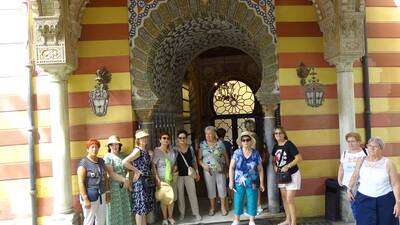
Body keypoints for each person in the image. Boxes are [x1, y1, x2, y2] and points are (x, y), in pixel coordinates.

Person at [347, 137, 400, 225]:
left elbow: (395, 184)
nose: (371, 148)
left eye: (375, 146)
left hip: (385, 199)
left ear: (381, 149)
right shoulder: (361, 161)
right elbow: (355, 175)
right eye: (369, 146)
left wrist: (398, 202)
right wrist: (349, 188)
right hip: (364, 199)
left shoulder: (389, 163)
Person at [229, 131, 265, 225]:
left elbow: (260, 169)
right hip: (239, 181)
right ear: (241, 142)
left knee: (252, 199)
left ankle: (252, 220)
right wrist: (231, 181)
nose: (245, 142)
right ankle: (236, 220)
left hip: (253, 181)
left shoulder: (256, 153)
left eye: (247, 140)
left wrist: (261, 183)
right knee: (238, 199)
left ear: (250, 141)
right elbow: (231, 168)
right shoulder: (237, 153)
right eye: (243, 140)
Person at [122, 130, 155, 225]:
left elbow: (147, 165)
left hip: (146, 181)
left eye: (145, 137)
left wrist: (150, 156)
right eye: (142, 138)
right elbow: (124, 162)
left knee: (144, 207)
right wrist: (136, 170)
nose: (144, 139)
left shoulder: (145, 150)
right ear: (138, 140)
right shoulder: (137, 150)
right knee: (140, 208)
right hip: (140, 182)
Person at [272, 127, 302, 225]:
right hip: (281, 176)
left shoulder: (289, 144)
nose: (278, 135)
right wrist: (275, 166)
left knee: (289, 199)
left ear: (284, 134)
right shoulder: (276, 146)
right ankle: (288, 220)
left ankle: (293, 222)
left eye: (280, 133)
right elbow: (274, 160)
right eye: (276, 133)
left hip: (292, 174)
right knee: (284, 198)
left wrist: (288, 166)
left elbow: (298, 158)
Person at [77, 138, 109, 225]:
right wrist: (85, 198)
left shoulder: (101, 161)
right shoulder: (84, 163)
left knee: (101, 220)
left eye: (96, 147)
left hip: (101, 194)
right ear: (88, 149)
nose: (95, 149)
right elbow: (80, 182)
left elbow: (105, 177)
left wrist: (107, 192)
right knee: (89, 221)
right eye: (92, 147)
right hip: (90, 195)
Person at [199, 126, 229, 216]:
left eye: (210, 133)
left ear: (214, 134)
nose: (208, 135)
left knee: (222, 188)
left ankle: (223, 208)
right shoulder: (202, 145)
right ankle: (212, 207)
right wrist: (203, 165)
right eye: (206, 134)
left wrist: (228, 169)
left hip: (220, 170)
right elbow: (199, 159)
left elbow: (226, 156)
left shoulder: (220, 144)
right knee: (210, 188)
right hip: (208, 171)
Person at [337, 132, 367, 220]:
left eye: (353, 141)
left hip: (360, 183)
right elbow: (341, 166)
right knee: (354, 206)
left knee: (359, 206)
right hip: (348, 184)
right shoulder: (345, 153)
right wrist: (339, 178)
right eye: (348, 141)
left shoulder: (365, 153)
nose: (350, 143)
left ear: (358, 142)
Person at [104, 135, 132, 225]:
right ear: (109, 146)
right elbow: (111, 174)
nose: (115, 146)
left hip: (125, 187)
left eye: (117, 144)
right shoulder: (107, 157)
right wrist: (125, 180)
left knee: (126, 208)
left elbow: (129, 169)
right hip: (114, 188)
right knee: (115, 210)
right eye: (112, 145)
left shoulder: (124, 155)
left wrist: (127, 178)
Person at [174, 129, 202, 221]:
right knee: (180, 195)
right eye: (180, 138)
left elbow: (194, 161)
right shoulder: (174, 149)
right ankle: (182, 213)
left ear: (186, 138)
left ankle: (196, 213)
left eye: (184, 138)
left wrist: (197, 172)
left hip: (189, 174)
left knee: (192, 194)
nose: (182, 139)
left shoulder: (190, 148)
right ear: (177, 139)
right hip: (178, 175)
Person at [153, 131, 178, 225]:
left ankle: (170, 217)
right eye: (164, 138)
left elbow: (174, 163)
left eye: (167, 138)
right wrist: (157, 178)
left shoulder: (172, 151)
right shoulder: (157, 151)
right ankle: (164, 219)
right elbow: (153, 166)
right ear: (160, 140)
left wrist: (175, 167)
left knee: (171, 198)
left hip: (171, 177)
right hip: (162, 178)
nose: (166, 140)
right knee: (163, 199)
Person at [244, 119, 268, 214]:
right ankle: (258, 205)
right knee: (255, 185)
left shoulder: (248, 136)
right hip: (254, 162)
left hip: (249, 163)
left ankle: (255, 206)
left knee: (250, 185)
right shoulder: (255, 136)